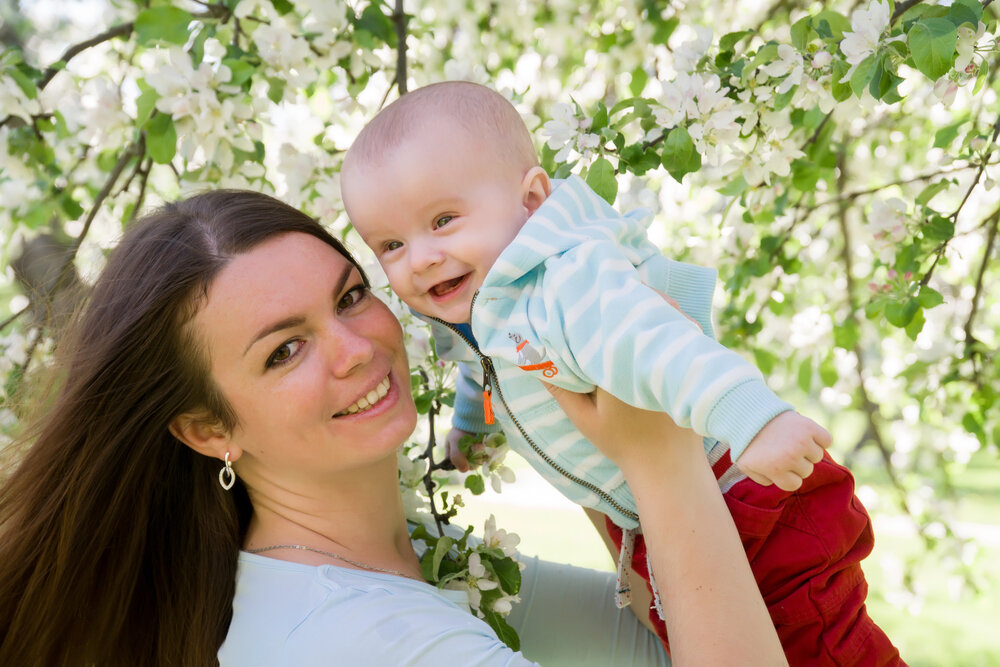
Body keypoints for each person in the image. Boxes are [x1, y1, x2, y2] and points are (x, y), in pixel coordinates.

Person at [0, 190, 785, 666]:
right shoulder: (355, 638)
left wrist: (577, 381)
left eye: (347, 297)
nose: (358, 348)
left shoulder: (429, 569)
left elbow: (679, 640)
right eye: (285, 350)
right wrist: (661, 455)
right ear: (209, 429)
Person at [340, 81, 904, 665]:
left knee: (823, 647)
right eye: (391, 245)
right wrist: (471, 429)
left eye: (444, 219)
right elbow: (481, 363)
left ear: (531, 200)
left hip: (745, 501)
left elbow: (656, 340)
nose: (421, 257)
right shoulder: (484, 301)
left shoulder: (572, 279)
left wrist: (753, 419)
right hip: (671, 515)